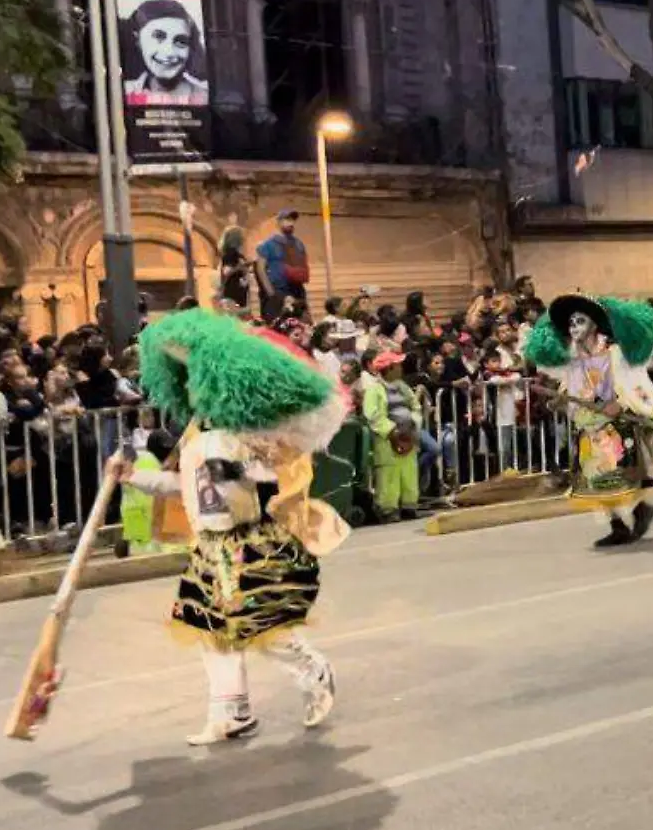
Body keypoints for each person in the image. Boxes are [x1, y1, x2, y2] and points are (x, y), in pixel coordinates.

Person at [107, 309, 351, 745]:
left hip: (244, 545)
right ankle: (232, 714)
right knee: (211, 633)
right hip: (209, 548)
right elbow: (179, 487)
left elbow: (263, 478)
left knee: (262, 628)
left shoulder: (242, 437)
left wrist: (234, 471)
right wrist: (133, 477)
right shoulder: (198, 440)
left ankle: (314, 672)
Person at [524, 294, 653, 547]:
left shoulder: (615, 353)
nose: (574, 327)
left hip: (616, 426)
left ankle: (638, 510)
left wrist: (621, 404)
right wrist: (561, 401)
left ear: (593, 325)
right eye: (571, 323)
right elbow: (573, 391)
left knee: (619, 476)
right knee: (595, 480)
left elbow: (633, 384)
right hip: (589, 426)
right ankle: (618, 525)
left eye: (580, 321)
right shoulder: (574, 361)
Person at [360, 350, 421, 522]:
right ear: (388, 369)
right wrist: (392, 431)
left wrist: (413, 426)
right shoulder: (374, 390)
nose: (400, 368)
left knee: (409, 472)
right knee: (389, 475)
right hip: (387, 440)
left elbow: (415, 406)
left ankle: (409, 505)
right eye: (397, 365)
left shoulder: (403, 386)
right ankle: (388, 508)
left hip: (408, 436)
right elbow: (372, 415)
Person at [121, 0, 209, 107]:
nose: (169, 52)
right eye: (158, 36)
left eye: (181, 41)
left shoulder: (207, 97)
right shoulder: (121, 94)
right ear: (138, 39)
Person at [255, 210, 311, 319]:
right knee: (278, 328)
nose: (291, 223)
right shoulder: (268, 244)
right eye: (287, 219)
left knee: (301, 326)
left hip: (297, 291)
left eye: (293, 220)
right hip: (278, 292)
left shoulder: (299, 244)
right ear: (279, 222)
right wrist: (271, 293)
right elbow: (260, 269)